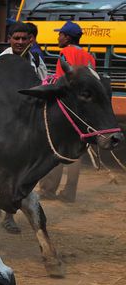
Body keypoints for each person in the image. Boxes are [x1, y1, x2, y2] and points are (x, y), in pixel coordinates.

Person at [38, 21, 96, 203]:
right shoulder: (89, 57)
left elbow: (61, 80)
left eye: (61, 34)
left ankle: (48, 189)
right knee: (75, 149)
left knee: (57, 146)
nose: (58, 37)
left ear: (67, 37)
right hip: (84, 109)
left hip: (67, 107)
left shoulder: (65, 53)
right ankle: (70, 192)